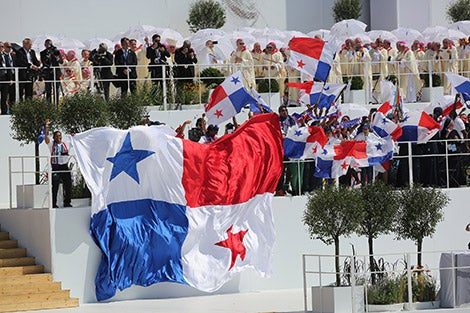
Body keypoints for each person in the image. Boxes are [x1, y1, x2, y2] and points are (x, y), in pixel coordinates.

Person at [43, 119, 72, 208]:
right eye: (58, 136)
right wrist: (46, 127)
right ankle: (53, 203)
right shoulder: (52, 144)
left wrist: (75, 136)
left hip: (64, 166)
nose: (59, 137)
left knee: (68, 185)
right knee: (55, 186)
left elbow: (75, 141)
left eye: (60, 135)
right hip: (56, 167)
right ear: (54, 137)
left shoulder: (65, 143)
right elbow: (46, 138)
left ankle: (67, 202)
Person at [40, 39, 63, 104]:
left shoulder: (56, 51)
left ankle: (56, 105)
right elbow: (44, 63)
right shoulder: (43, 53)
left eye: (50, 44)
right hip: (48, 73)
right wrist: (48, 56)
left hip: (56, 73)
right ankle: (49, 106)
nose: (49, 46)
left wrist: (57, 57)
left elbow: (61, 61)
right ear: (45, 45)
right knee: (48, 90)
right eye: (48, 44)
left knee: (56, 90)